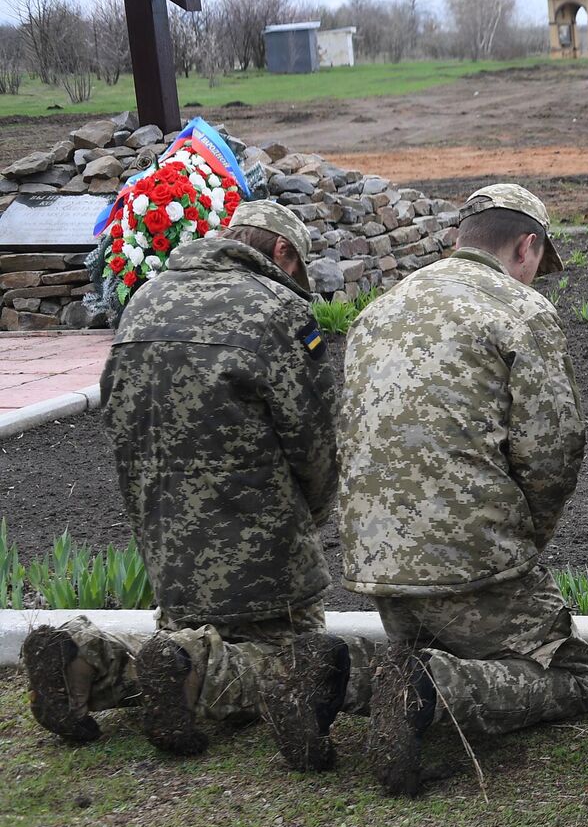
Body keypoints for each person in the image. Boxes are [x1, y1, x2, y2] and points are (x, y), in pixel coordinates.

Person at [21, 201, 371, 766]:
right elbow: (316, 441)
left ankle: (84, 660)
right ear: (282, 252)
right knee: (288, 661)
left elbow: (114, 411)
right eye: (298, 268)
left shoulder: (146, 299)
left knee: (177, 649)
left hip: (167, 545)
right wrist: (312, 518)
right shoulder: (278, 309)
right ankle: (192, 670)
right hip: (262, 546)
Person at [337, 183, 588, 798]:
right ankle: (425, 690)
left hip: (377, 563)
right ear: (527, 246)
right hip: (472, 561)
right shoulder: (520, 311)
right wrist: (522, 539)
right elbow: (555, 451)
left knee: (430, 640)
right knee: (572, 677)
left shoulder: (379, 310)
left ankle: (336, 676)